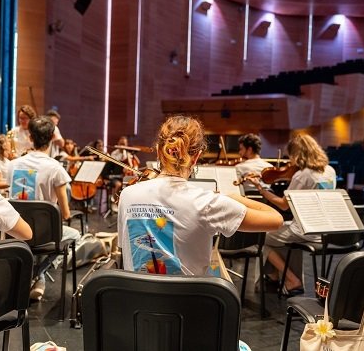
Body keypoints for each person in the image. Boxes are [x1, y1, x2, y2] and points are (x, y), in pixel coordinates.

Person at [118, 115, 283, 276]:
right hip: (190, 301)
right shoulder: (207, 202)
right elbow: (276, 219)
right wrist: (233, 197)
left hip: (137, 300)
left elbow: (125, 251)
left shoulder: (127, 195)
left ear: (160, 152)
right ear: (196, 157)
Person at [248, 134, 336, 295]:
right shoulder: (330, 171)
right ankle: (277, 277)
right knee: (281, 236)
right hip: (325, 230)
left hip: (305, 231)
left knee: (262, 238)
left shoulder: (303, 175)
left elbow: (284, 205)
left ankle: (291, 279)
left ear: (297, 154)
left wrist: (261, 188)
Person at [6, 116, 81, 300]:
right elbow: (65, 213)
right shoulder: (56, 169)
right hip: (45, 235)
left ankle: (33, 277)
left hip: (15, 231)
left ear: (30, 137)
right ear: (52, 137)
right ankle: (36, 274)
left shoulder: (12, 166)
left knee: (40, 236)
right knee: (75, 235)